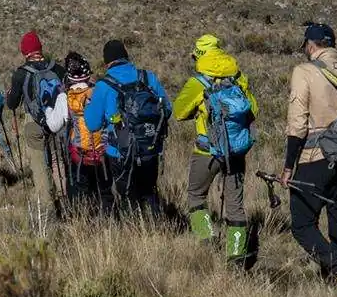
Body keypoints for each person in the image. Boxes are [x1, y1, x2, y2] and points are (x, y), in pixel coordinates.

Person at [282, 23, 337, 294]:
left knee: (302, 223)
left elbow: (297, 124)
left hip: (315, 157)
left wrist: (288, 165)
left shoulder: (304, 71)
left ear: (310, 45)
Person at [171, 34, 258, 261]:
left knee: (196, 196)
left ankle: (207, 242)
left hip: (206, 152)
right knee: (235, 205)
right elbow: (254, 110)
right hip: (236, 151)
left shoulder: (198, 83)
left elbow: (179, 113)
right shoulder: (239, 78)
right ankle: (236, 254)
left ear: (199, 55)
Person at [83, 40, 172, 214]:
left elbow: (92, 124)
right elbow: (167, 109)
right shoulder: (148, 77)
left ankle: (133, 231)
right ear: (126, 56)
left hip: (119, 152)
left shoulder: (103, 86)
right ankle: (157, 229)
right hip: (150, 147)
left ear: (106, 62)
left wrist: (89, 105)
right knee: (149, 192)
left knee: (126, 195)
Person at [44, 52, 110, 211]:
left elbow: (54, 126)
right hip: (101, 150)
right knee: (103, 188)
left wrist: (47, 109)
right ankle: (107, 218)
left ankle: (82, 219)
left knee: (80, 187)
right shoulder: (99, 92)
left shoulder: (64, 97)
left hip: (77, 153)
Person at [6, 32, 64, 184]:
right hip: (57, 119)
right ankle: (65, 198)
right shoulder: (56, 68)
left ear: (24, 51)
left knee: (39, 165)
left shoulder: (21, 73)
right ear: (40, 48)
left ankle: (47, 205)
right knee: (59, 161)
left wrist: (9, 95)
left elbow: (12, 104)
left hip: (33, 121)